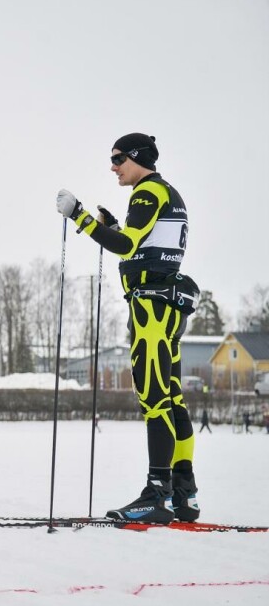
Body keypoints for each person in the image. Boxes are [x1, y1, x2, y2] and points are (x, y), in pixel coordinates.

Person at [57, 133, 199, 524]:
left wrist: (79, 216)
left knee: (154, 398)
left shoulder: (147, 192)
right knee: (172, 398)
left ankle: (157, 494)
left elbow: (126, 246)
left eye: (118, 159)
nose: (113, 167)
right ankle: (184, 494)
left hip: (152, 308)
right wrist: (114, 226)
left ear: (137, 158)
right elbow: (143, 246)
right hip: (166, 305)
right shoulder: (165, 193)